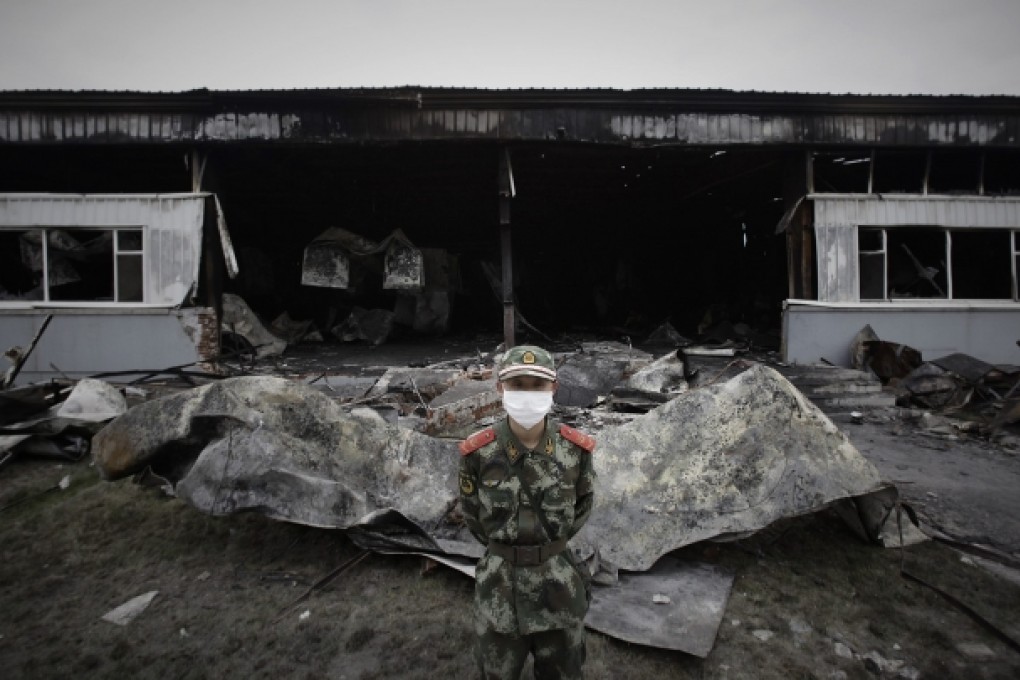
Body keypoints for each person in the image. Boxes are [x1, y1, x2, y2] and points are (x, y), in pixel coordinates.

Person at [458, 345, 596, 679]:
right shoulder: (478, 452)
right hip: (499, 589)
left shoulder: (574, 451)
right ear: (500, 389)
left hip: (558, 587)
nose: (527, 393)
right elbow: (474, 517)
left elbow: (582, 506)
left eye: (537, 385)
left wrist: (546, 548)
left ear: (554, 389)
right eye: (518, 383)